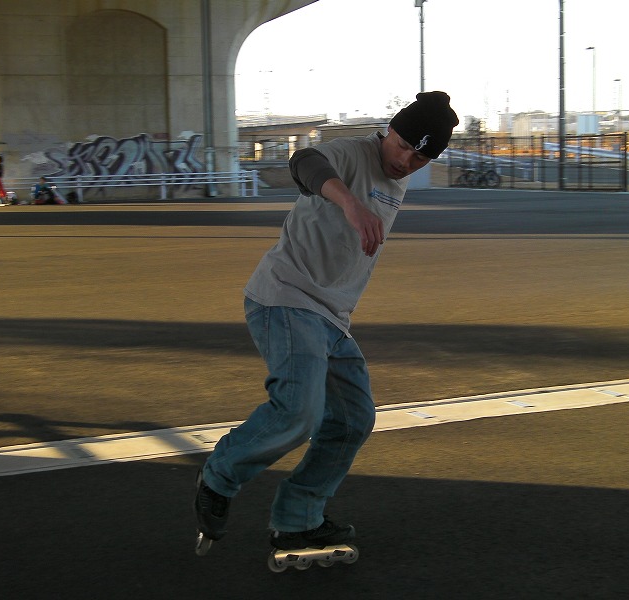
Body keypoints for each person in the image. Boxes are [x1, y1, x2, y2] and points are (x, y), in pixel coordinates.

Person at [194, 91, 459, 552]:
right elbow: (304, 162)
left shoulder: (396, 175)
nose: (405, 162)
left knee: (354, 418)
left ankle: (298, 517)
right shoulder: (354, 153)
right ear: (390, 131)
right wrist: (350, 203)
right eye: (402, 146)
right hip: (285, 297)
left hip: (331, 317)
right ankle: (219, 476)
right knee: (298, 411)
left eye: (420, 158)